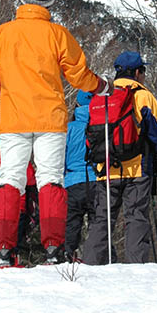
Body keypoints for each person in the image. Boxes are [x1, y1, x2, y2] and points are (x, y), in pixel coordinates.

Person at [0, 0, 110, 267]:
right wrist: (102, 86)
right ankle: (53, 249)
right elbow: (78, 75)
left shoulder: (3, 33)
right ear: (50, 1)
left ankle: (2, 251)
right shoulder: (58, 35)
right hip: (51, 119)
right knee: (50, 179)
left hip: (14, 119)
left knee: (9, 180)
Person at [83, 51, 157, 265]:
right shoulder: (144, 96)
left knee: (102, 219)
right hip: (138, 169)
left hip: (105, 169)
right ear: (138, 72)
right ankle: (136, 267)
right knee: (136, 216)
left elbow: (90, 135)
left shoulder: (102, 94)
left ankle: (91, 266)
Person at [0, 133, 38, 266]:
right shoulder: (15, 150)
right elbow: (29, 176)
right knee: (13, 242)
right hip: (15, 203)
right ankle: (11, 264)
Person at [64, 91, 97, 260]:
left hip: (72, 181)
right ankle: (97, 257)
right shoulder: (101, 125)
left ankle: (68, 255)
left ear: (77, 105)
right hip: (96, 180)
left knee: (72, 222)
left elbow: (61, 156)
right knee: (97, 223)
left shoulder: (69, 129)